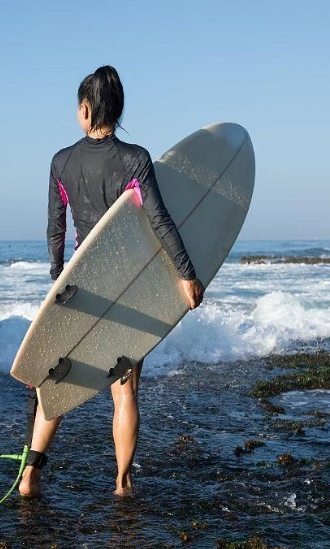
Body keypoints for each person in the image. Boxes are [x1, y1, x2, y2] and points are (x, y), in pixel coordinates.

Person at [19, 65, 205, 498]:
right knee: (125, 390)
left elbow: (55, 230)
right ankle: (122, 482)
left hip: (79, 287)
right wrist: (186, 274)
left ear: (85, 110)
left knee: (57, 384)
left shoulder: (60, 162)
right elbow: (160, 219)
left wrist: (56, 285)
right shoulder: (135, 159)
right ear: (117, 110)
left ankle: (30, 477)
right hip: (126, 285)